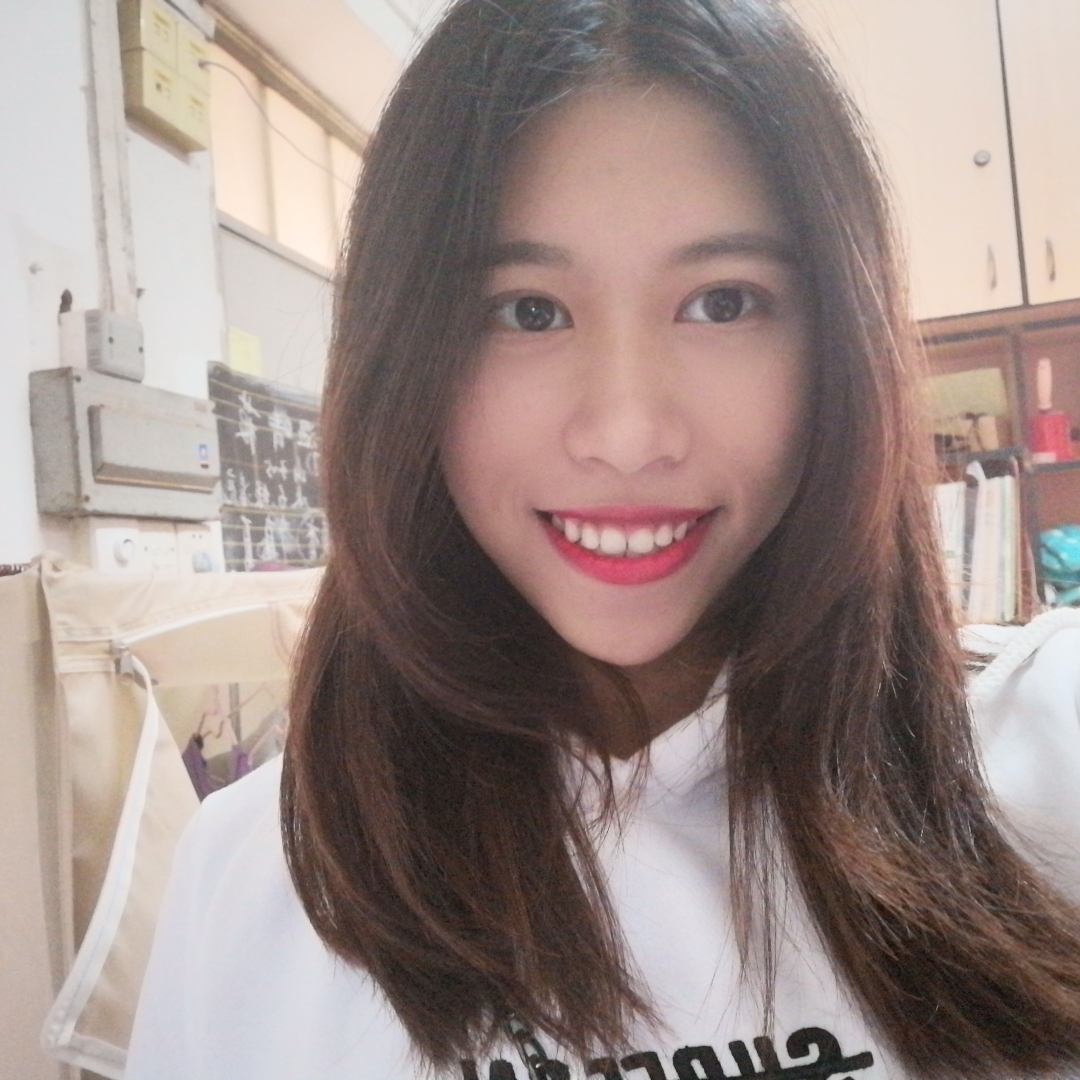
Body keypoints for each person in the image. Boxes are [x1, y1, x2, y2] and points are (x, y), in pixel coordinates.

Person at [125, 1, 1080, 1077]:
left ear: (839, 343)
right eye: (527, 311)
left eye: (724, 302)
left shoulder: (1051, 751)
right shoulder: (255, 880)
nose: (627, 434)